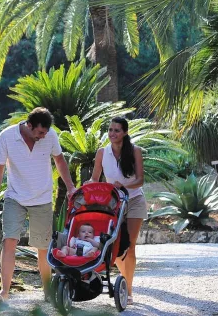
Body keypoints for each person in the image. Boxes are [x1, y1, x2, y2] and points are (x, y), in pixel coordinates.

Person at [0, 107, 77, 305]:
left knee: (43, 248)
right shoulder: (7, 136)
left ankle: (47, 293)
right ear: (29, 126)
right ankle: (4, 292)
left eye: (45, 132)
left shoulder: (50, 135)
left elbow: (59, 160)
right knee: (9, 241)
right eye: (40, 133)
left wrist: (70, 187)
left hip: (42, 198)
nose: (43, 136)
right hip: (14, 198)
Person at [89, 117, 145, 306]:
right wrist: (87, 188)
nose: (112, 134)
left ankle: (128, 290)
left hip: (134, 200)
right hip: (113, 204)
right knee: (117, 246)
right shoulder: (102, 153)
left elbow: (140, 180)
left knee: (130, 246)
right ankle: (123, 282)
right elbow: (95, 178)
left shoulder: (135, 151)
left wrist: (124, 185)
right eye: (110, 130)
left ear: (125, 133)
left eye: (117, 130)